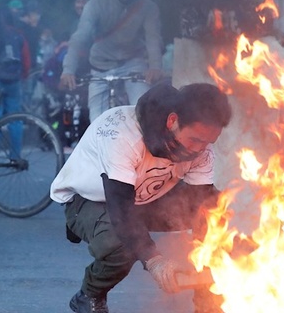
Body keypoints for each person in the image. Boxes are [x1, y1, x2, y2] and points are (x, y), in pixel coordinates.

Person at [50, 82, 232, 313]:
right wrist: (154, 260)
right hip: (92, 199)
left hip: (146, 197)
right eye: (195, 140)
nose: (200, 149)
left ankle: (207, 307)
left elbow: (203, 205)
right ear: (172, 121)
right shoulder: (122, 135)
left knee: (215, 213)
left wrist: (211, 254)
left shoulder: (201, 150)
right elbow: (122, 209)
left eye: (208, 142)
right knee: (123, 246)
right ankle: (90, 294)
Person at [59, 0, 163, 119]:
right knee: (96, 120)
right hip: (100, 64)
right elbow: (80, 37)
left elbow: (153, 38)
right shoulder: (96, 4)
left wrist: (155, 66)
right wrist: (68, 70)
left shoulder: (148, 7)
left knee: (144, 113)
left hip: (133, 63)